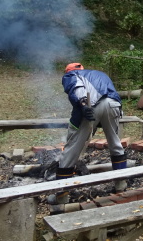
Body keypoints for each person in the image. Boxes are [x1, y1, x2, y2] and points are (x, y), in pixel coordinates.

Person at [49, 62, 127, 204]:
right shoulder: (100, 73)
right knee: (115, 143)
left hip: (91, 106)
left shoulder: (70, 75)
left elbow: (76, 87)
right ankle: (121, 186)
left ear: (68, 71)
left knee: (71, 150)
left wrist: (84, 105)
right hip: (114, 104)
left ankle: (61, 195)